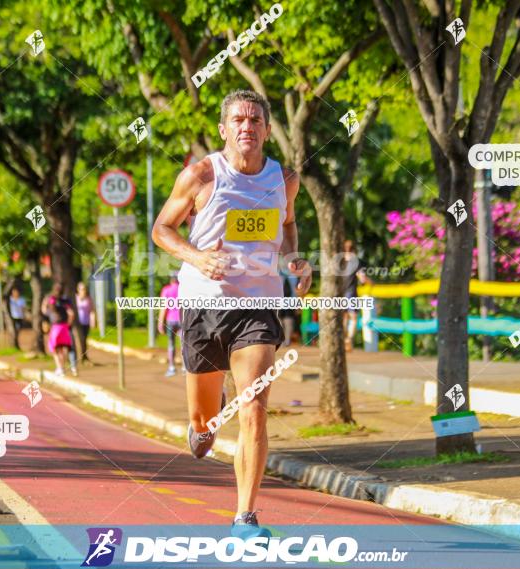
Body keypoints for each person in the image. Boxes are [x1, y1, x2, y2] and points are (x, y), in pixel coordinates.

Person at [152, 89, 311, 539]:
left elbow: (287, 223)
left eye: (256, 120)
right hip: (204, 305)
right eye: (238, 120)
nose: (247, 127)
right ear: (224, 130)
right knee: (205, 430)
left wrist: (295, 259)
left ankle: (245, 516)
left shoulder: (285, 179)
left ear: (266, 128)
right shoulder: (200, 175)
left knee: (255, 405)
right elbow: (161, 229)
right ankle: (204, 420)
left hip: (257, 306)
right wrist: (198, 257)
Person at [342, 239, 372, 351]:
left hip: (340, 293)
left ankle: (343, 339)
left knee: (344, 317)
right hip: (351, 292)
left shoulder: (340, 261)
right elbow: (362, 278)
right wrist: (371, 282)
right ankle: (348, 339)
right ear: (354, 249)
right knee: (353, 317)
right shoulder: (355, 261)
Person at [42, 283, 77, 376]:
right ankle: (62, 368)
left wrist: (45, 304)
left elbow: (45, 311)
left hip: (55, 327)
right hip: (65, 327)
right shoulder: (65, 301)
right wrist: (69, 323)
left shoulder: (52, 300)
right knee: (63, 348)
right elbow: (71, 313)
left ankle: (59, 368)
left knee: (55, 349)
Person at [158, 275, 182, 376]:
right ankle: (185, 367)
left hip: (170, 320)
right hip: (182, 320)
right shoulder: (182, 289)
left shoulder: (166, 290)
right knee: (184, 345)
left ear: (171, 280)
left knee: (171, 344)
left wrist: (160, 323)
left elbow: (164, 308)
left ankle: (172, 367)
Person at [74, 282, 95, 366]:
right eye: (82, 289)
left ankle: (84, 356)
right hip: (78, 322)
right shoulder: (75, 298)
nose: (83, 291)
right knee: (81, 339)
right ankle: (82, 357)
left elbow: (92, 310)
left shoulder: (88, 299)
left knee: (84, 340)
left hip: (86, 322)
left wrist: (93, 321)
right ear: (78, 290)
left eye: (84, 289)